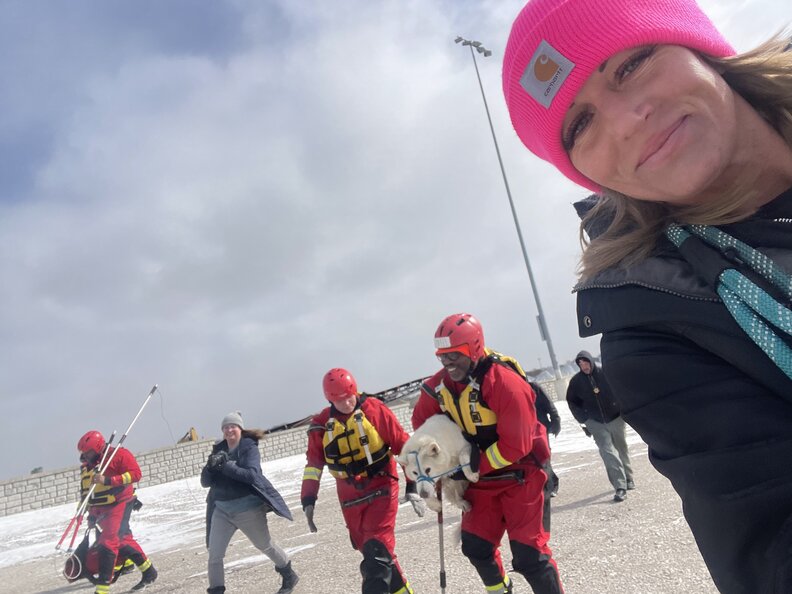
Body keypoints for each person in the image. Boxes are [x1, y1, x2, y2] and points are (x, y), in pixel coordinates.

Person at [503, 0, 792, 591]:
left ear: (697, 46)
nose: (627, 120)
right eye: (580, 125)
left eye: (631, 64)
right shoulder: (658, 331)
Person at [412, 313, 563, 594]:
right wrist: (430, 469)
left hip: (522, 473)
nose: (447, 363)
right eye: (442, 356)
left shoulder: (503, 383)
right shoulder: (438, 389)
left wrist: (472, 465)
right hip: (481, 480)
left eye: (454, 355)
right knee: (476, 547)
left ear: (475, 348)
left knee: (530, 557)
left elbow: (516, 445)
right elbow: (422, 431)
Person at [301, 368, 423, 594]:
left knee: (377, 552)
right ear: (330, 399)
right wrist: (308, 499)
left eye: (350, 397)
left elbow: (404, 446)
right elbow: (313, 466)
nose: (348, 403)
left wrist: (412, 486)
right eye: (340, 400)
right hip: (350, 500)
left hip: (382, 488)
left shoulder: (374, 410)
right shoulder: (320, 426)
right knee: (376, 554)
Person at [201, 412, 298, 594]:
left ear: (240, 429)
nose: (229, 430)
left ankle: (288, 573)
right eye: (226, 427)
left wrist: (227, 466)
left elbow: (252, 475)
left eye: (233, 426)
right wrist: (210, 468)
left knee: (264, 545)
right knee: (215, 554)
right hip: (221, 510)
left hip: (248, 509)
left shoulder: (248, 447)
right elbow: (205, 483)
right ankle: (216, 590)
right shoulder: (218, 449)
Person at [77, 430, 158, 593]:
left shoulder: (119, 454)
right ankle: (149, 571)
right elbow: (91, 491)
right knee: (122, 540)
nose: (86, 456)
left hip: (120, 502)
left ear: (98, 447)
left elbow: (136, 474)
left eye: (89, 452)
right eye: (84, 453)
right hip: (102, 507)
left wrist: (109, 480)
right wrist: (91, 515)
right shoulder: (90, 466)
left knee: (109, 542)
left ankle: (102, 590)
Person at [565, 351, 634, 501]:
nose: (584, 367)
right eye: (580, 364)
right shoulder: (576, 382)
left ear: (591, 361)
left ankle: (628, 477)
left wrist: (623, 410)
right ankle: (620, 486)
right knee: (608, 452)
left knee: (621, 448)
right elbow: (572, 402)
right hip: (595, 422)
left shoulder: (606, 374)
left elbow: (622, 390)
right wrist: (584, 420)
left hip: (615, 418)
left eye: (586, 363)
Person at [529, 381, 561, 497]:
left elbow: (549, 406)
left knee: (543, 457)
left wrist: (556, 422)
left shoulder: (533, 387)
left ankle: (552, 484)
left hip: (541, 428)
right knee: (532, 461)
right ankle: (542, 485)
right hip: (524, 431)